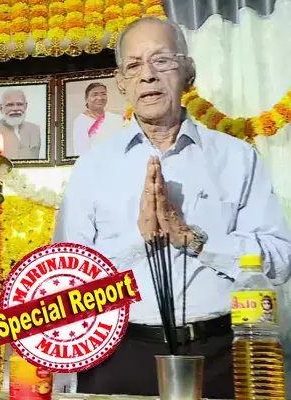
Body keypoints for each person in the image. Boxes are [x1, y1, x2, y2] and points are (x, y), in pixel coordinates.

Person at [52, 17, 291, 399]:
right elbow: (66, 283)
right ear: (121, 82)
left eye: (161, 60)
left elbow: (279, 261)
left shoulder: (237, 157)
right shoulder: (93, 167)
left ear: (188, 73)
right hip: (119, 356)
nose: (147, 75)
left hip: (223, 355)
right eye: (134, 65)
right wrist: (139, 240)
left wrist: (192, 238)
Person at [0, 89, 42, 160]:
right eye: (10, 105)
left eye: (20, 104)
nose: (15, 109)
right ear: (1, 108)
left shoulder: (35, 129)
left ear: (25, 106)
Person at [71, 82, 123, 156]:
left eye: (103, 94)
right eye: (95, 95)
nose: (100, 98)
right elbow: (81, 153)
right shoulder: (81, 121)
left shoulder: (115, 118)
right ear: (86, 99)